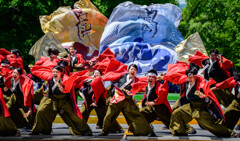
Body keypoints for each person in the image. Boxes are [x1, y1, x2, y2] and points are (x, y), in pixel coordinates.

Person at [169, 63, 240, 137]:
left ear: (195, 77)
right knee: (177, 113)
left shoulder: (201, 85)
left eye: (191, 77)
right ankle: (180, 132)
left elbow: (206, 94)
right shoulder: (186, 82)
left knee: (211, 125)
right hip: (190, 106)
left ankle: (230, 133)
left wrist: (203, 96)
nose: (189, 79)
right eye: (188, 77)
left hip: (200, 108)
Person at [31, 65, 92, 135]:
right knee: (41, 110)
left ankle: (85, 130)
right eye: (53, 72)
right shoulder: (50, 77)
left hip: (64, 100)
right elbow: (41, 74)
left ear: (61, 72)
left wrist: (64, 89)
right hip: (51, 98)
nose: (54, 73)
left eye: (56, 72)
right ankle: (38, 130)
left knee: (74, 115)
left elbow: (71, 84)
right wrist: (33, 70)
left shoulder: (66, 79)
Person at [99, 64, 153, 136]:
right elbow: (113, 83)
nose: (133, 71)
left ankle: (145, 131)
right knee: (109, 115)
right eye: (131, 69)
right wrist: (123, 90)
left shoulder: (136, 80)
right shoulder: (121, 76)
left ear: (136, 72)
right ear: (128, 70)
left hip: (127, 101)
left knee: (135, 115)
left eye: (135, 70)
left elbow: (145, 80)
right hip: (117, 98)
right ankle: (104, 132)